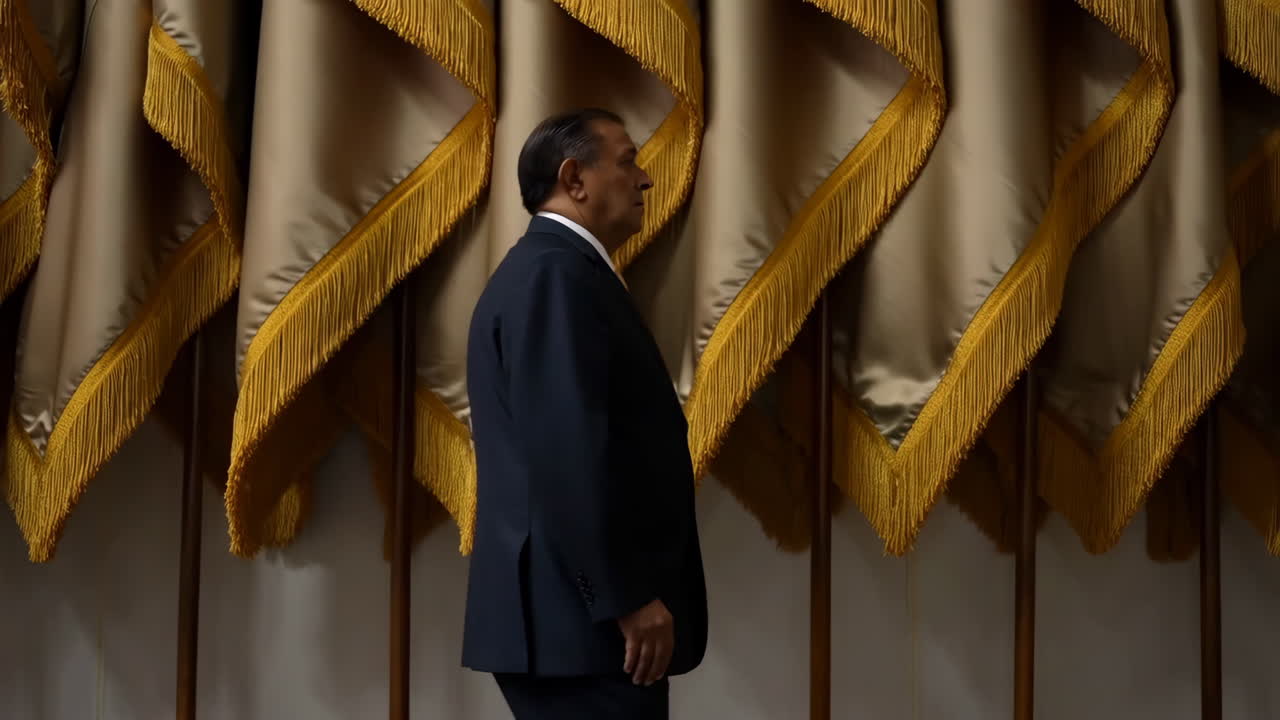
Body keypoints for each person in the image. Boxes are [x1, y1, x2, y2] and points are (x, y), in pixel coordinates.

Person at [461, 108, 708, 720]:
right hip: (584, 634)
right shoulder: (555, 276)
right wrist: (624, 597)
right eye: (627, 162)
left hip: (578, 631)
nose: (645, 179)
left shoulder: (564, 272)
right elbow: (567, 454)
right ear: (574, 179)